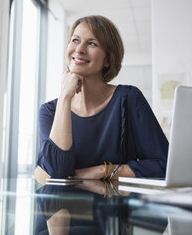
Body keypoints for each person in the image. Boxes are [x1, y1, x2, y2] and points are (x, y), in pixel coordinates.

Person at [34, 15, 168, 183]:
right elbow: (58, 171)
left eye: (92, 43)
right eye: (75, 40)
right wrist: (65, 97)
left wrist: (104, 170)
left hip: (117, 206)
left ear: (107, 59)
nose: (79, 49)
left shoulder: (129, 99)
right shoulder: (49, 111)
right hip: (66, 208)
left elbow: (164, 165)